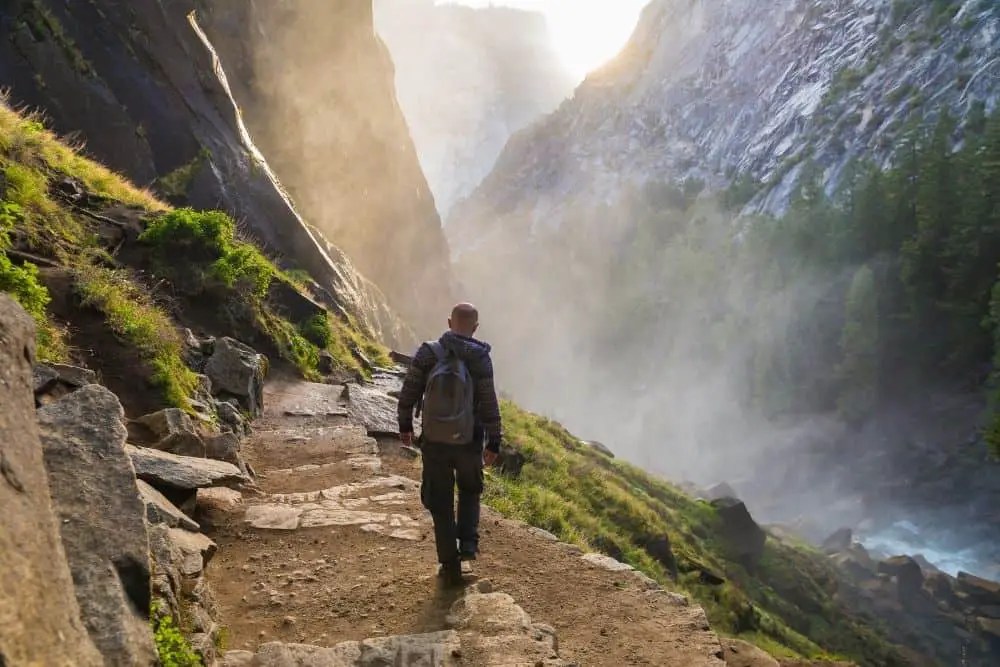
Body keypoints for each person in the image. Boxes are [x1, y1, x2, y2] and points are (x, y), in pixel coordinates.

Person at [397, 302, 503, 585]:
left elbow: (408, 392)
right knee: (469, 489)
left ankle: (449, 563)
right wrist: (494, 441)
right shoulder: (481, 358)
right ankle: (468, 544)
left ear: (448, 323)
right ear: (475, 328)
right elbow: (489, 402)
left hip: (434, 441)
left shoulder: (429, 353)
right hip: (469, 440)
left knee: (439, 500)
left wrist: (405, 425)